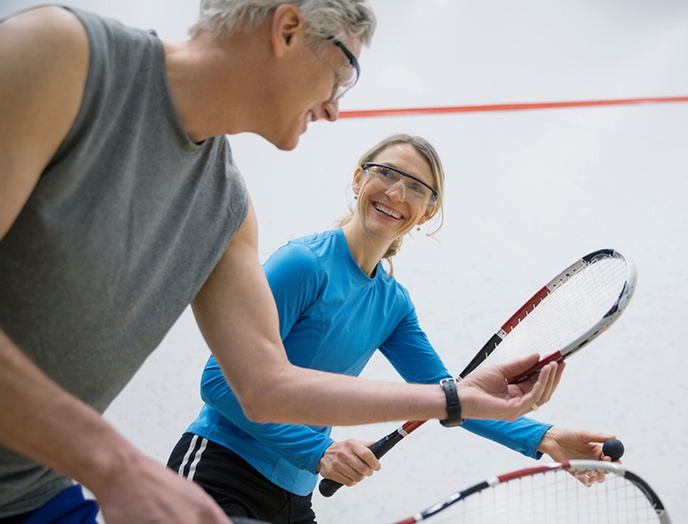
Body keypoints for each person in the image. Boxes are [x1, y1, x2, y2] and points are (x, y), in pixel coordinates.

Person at [0, 3, 563, 523]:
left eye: (416, 187)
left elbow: (264, 384)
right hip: (200, 471)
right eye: (342, 74)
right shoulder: (66, 54)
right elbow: (221, 385)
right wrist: (113, 463)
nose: (336, 108)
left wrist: (514, 424)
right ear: (287, 29)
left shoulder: (226, 209)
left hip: (35, 493)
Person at [167, 134, 615, 523]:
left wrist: (546, 437)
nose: (397, 193)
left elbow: (449, 397)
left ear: (427, 210)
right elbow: (219, 380)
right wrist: (318, 452)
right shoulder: (303, 264)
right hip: (218, 470)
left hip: (293, 495)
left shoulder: (393, 304)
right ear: (359, 178)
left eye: (416, 188)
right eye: (386, 174)